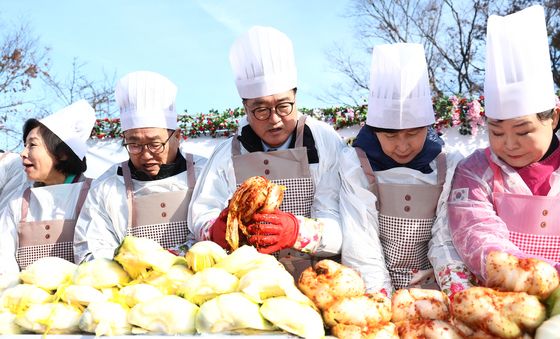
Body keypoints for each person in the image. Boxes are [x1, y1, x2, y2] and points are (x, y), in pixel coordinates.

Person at [189, 26, 345, 278]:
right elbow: (201, 218)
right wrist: (219, 229)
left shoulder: (324, 141)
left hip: (318, 280)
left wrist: (296, 230)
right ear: (245, 108)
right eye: (260, 110)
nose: (274, 119)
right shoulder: (227, 154)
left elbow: (342, 224)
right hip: (248, 283)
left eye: (284, 106)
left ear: (296, 97)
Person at [339, 43, 476, 296]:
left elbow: (445, 237)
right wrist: (380, 300)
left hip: (433, 291)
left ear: (428, 127)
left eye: (413, 133)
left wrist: (456, 293)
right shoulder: (356, 164)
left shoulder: (448, 164)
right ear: (374, 131)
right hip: (374, 287)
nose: (402, 147)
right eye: (390, 136)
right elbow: (361, 241)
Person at [448, 5, 560, 281]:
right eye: (496, 132)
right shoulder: (475, 170)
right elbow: (476, 233)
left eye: (523, 132)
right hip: (500, 301)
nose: (509, 144)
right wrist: (532, 277)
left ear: (554, 117)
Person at [74, 71, 205, 262]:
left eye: (154, 144)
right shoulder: (107, 186)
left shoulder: (205, 173)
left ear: (177, 136)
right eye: (134, 145)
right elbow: (92, 247)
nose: (145, 154)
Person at [0, 100, 96, 276]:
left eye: (32, 145)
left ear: (63, 154)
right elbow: (3, 262)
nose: (22, 153)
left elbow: (99, 259)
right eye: (25, 145)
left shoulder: (94, 195)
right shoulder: (17, 203)